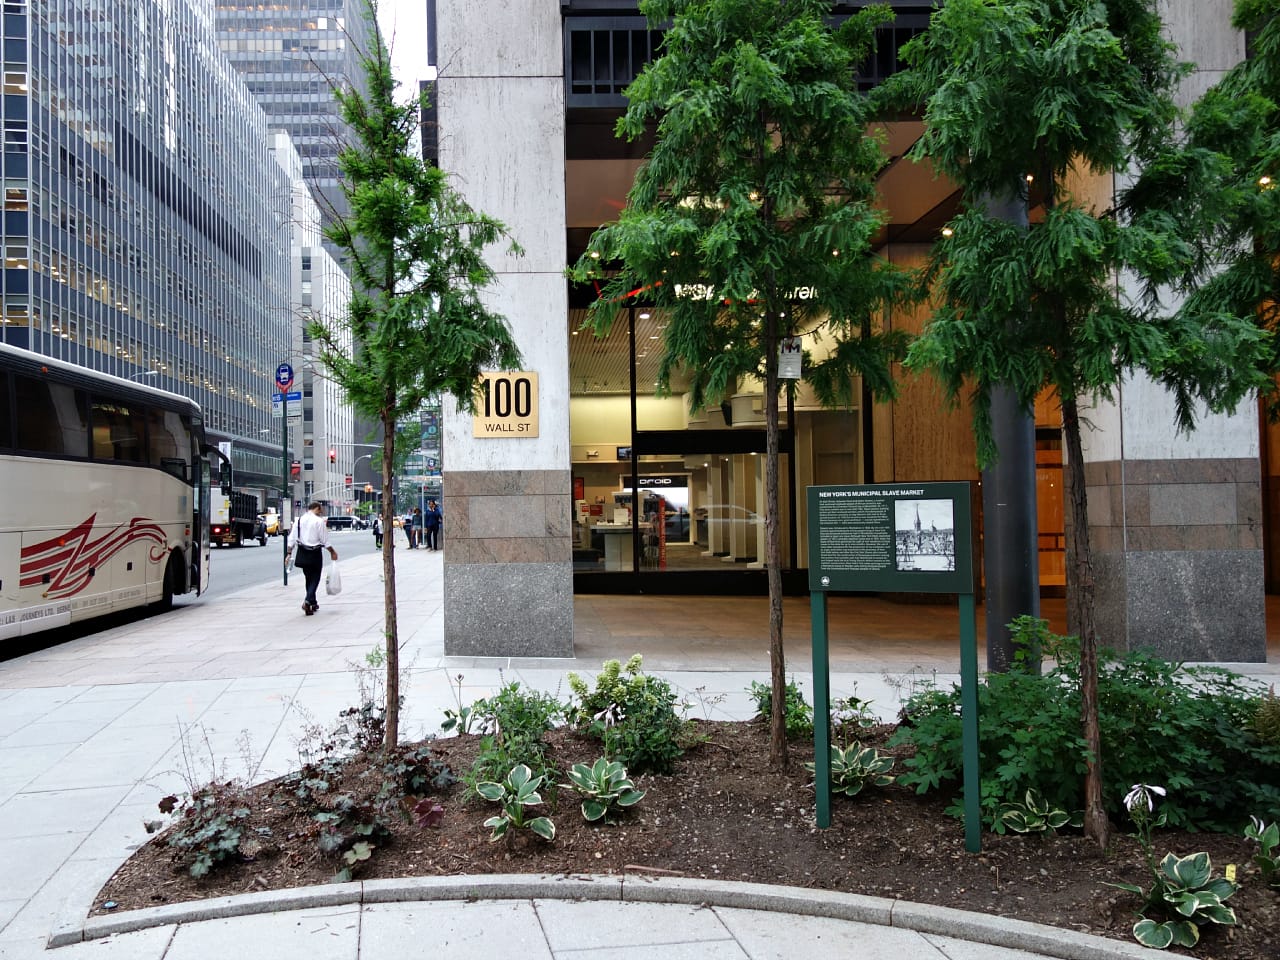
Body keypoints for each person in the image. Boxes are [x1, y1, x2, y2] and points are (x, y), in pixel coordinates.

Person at [285, 501, 338, 615]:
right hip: (315, 552)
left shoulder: (298, 520)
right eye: (321, 510)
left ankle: (312, 602)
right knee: (315, 577)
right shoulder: (319, 521)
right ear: (317, 508)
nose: (321, 512)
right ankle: (308, 601)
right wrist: (332, 552)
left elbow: (292, 538)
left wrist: (289, 553)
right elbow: (324, 540)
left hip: (302, 551)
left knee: (308, 577)